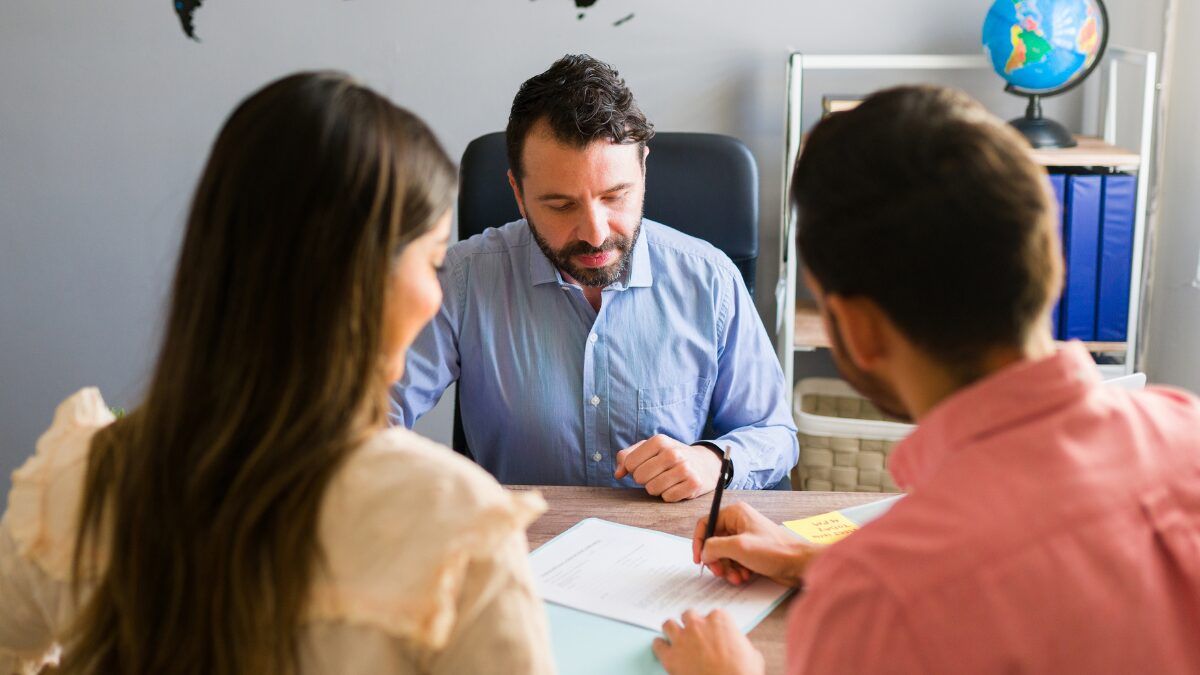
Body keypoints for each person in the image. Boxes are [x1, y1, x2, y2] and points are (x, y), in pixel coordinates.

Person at [0, 72, 553, 675]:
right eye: (432, 259)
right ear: (359, 286)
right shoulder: (454, 529)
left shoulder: (76, 483)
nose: (434, 292)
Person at [653, 85, 1200, 674]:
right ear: (1052, 260)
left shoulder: (878, 605)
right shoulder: (1185, 423)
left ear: (857, 329)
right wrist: (817, 561)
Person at [392, 54, 797, 500]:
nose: (595, 233)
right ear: (518, 194)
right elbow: (370, 421)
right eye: (561, 205)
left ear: (643, 169)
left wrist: (713, 461)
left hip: (670, 553)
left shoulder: (711, 279)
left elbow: (774, 432)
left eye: (615, 196)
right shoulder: (461, 280)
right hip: (519, 550)